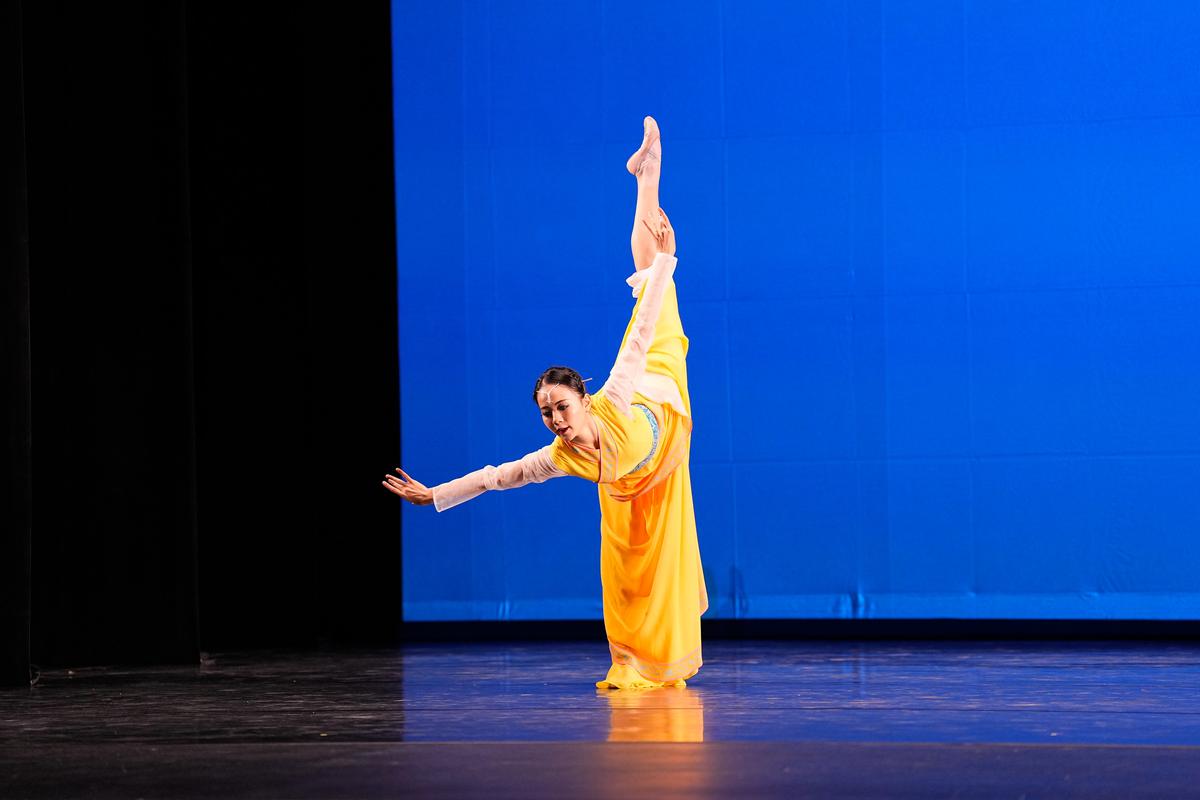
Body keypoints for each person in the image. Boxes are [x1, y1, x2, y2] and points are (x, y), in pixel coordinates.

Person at [383, 116, 707, 690]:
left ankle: (647, 176)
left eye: (561, 407)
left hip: (660, 393)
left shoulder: (616, 394)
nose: (556, 421)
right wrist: (435, 496)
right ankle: (632, 661)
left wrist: (666, 263)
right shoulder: (562, 457)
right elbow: (498, 477)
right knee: (627, 574)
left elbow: (643, 329)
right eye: (547, 413)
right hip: (631, 487)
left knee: (647, 282)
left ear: (582, 399)